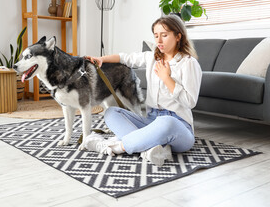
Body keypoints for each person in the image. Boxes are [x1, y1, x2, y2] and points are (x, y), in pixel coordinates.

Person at [83, 15, 202, 166]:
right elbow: (125, 58)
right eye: (156, 36)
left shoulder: (188, 63)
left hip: (178, 126)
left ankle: (113, 147)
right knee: (111, 112)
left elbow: (190, 102)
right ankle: (151, 148)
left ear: (178, 36)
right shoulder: (152, 57)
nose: (158, 41)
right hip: (150, 122)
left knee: (167, 122)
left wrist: (167, 78)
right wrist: (101, 59)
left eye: (164, 36)